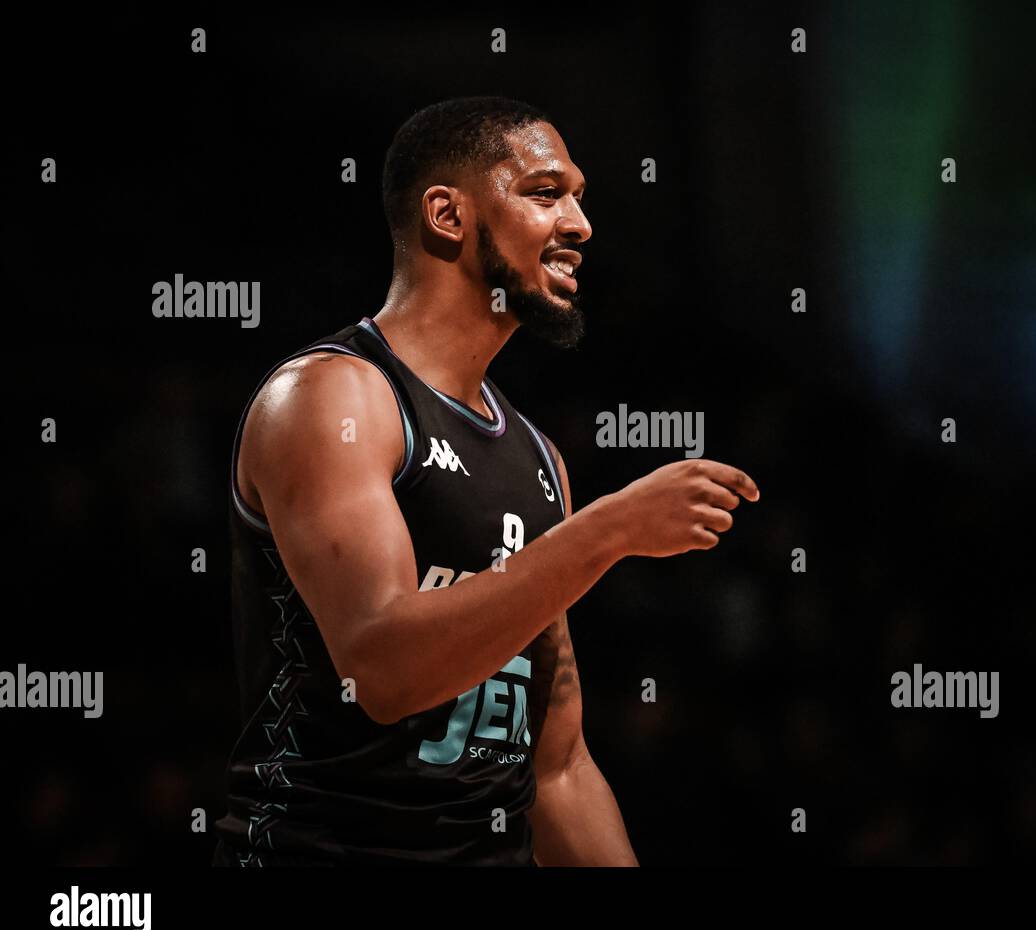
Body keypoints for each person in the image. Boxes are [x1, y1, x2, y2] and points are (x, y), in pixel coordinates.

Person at [212, 96, 759, 866]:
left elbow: (558, 769)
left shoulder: (536, 457)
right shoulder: (334, 397)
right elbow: (383, 670)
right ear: (446, 214)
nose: (579, 225)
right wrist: (607, 532)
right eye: (545, 194)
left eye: (578, 196)